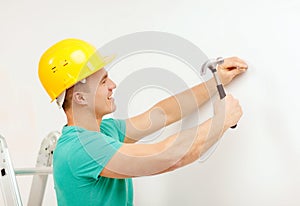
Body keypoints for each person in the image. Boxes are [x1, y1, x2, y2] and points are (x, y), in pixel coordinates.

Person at [38, 38, 247, 206]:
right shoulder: (82, 149)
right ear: (80, 98)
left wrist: (215, 81)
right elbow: (167, 157)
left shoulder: (104, 131)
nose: (113, 85)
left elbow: (162, 113)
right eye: (103, 82)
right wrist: (222, 120)